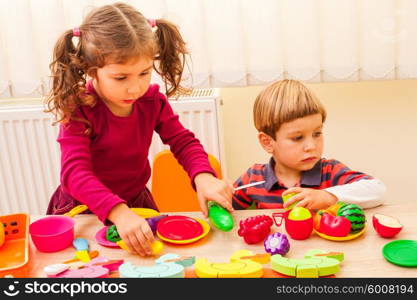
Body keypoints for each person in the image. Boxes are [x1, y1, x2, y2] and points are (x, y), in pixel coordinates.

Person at [46, 2, 233, 256]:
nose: (135, 88)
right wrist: (118, 212)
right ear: (92, 71)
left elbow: (183, 142)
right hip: (85, 209)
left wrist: (204, 177)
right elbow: (75, 174)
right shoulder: (79, 108)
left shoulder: (152, 101)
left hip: (134, 203)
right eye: (121, 77)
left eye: (144, 73)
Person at [232, 79, 386, 211]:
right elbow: (225, 208)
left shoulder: (330, 172)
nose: (311, 146)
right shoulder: (253, 178)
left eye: (317, 134)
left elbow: (378, 190)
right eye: (298, 137)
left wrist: (328, 196)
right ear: (268, 142)